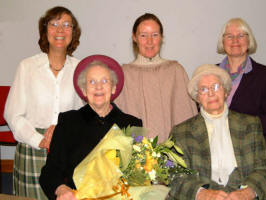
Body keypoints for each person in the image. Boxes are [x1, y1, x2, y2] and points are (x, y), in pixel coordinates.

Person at [4, 6, 83, 199]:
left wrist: (63, 132)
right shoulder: (27, 67)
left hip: (67, 149)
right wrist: (38, 139)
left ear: (73, 32)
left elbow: (84, 114)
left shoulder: (81, 69)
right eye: (54, 24)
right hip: (33, 147)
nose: (60, 30)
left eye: (66, 25)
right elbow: (13, 114)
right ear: (44, 31)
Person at [39, 55, 142, 200]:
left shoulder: (131, 124)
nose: (98, 87)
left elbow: (139, 175)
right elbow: (50, 171)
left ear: (113, 88)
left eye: (104, 81)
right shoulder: (68, 122)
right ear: (84, 90)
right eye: (92, 81)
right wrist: (61, 188)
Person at [168, 64, 266, 200]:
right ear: (197, 97)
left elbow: (265, 170)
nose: (211, 93)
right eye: (203, 89)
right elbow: (174, 176)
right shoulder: (181, 132)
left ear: (225, 91)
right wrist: (202, 194)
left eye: (216, 86)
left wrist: (247, 193)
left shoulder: (250, 124)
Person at [115, 13, 198, 143]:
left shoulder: (176, 71)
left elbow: (187, 117)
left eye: (155, 35)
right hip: (138, 155)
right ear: (134, 38)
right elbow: (119, 121)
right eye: (143, 35)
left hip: (173, 155)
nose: (149, 41)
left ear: (161, 37)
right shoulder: (123, 75)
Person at [216, 18, 266, 170]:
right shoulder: (209, 74)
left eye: (241, 35)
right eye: (229, 36)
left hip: (254, 161)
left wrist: (236, 125)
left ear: (249, 40)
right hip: (215, 159)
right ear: (223, 41)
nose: (235, 40)